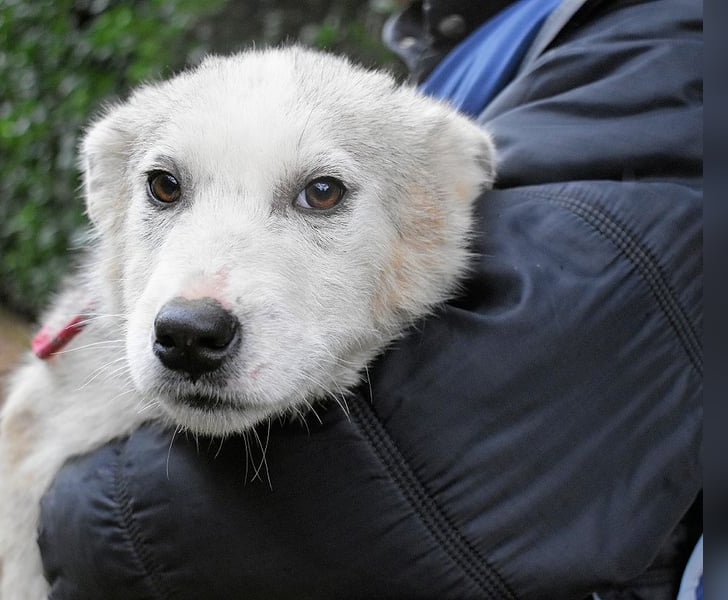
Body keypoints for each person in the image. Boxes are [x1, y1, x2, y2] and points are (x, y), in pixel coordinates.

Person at [36, 0, 702, 598]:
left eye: (321, 193)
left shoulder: (669, 50)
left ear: (448, 195)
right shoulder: (478, 47)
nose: (194, 320)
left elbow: (417, 491)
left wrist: (68, 512)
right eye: (165, 188)